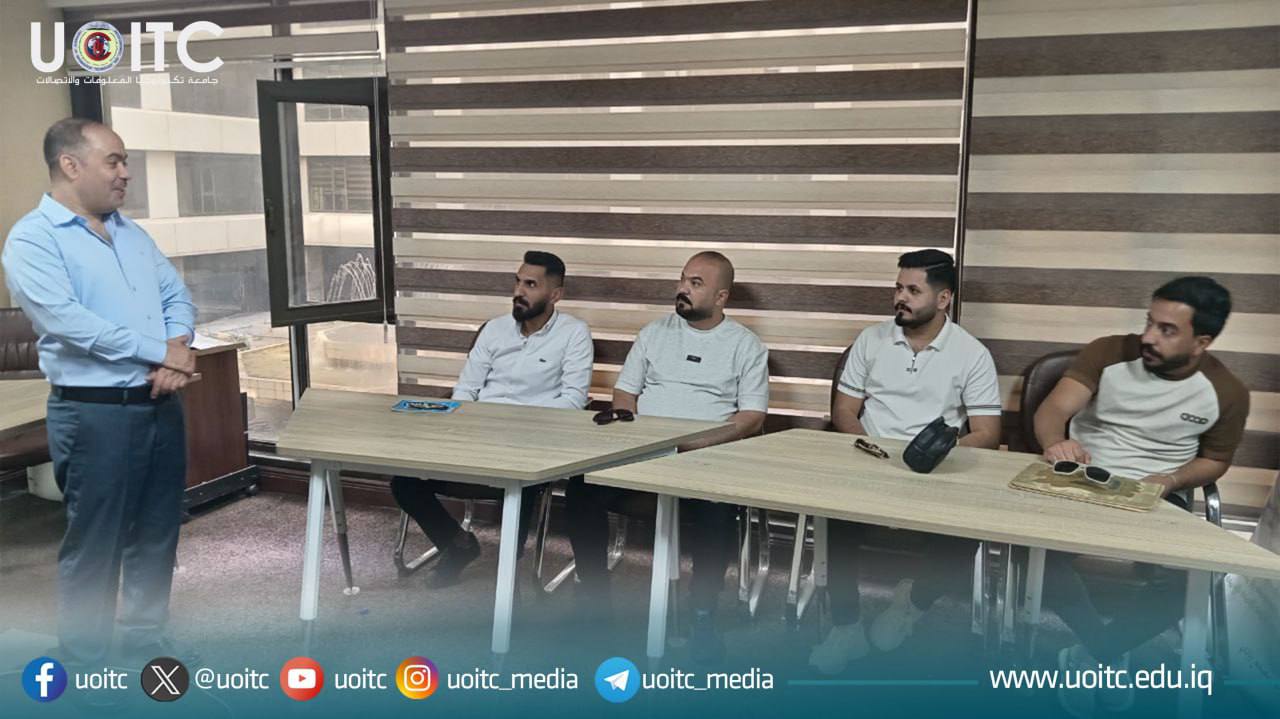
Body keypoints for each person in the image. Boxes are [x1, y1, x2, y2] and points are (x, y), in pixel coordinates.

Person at [2, 118, 198, 667]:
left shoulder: (131, 234)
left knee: (158, 532)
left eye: (124, 161)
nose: (125, 173)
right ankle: (85, 662)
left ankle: (144, 640)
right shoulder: (33, 239)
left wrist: (177, 345)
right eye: (114, 160)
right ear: (70, 165)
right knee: (96, 545)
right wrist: (160, 352)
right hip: (94, 415)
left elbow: (176, 296)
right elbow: (68, 323)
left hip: (160, 404)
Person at [1033, 276, 1248, 717]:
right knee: (1035, 551)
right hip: (1083, 479)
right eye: (1150, 322)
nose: (1149, 336)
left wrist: (1172, 479)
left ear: (1201, 342)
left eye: (1167, 330)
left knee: (1199, 578)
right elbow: (1053, 410)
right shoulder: (1108, 352)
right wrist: (1056, 442)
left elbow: (1215, 461)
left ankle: (1094, 653)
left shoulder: (1226, 392)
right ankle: (1107, 652)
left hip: (1158, 493)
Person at [566, 251, 769, 664]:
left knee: (717, 505)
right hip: (644, 453)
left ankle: (702, 614)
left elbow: (751, 416)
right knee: (580, 487)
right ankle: (595, 597)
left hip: (704, 457)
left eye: (695, 283)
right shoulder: (654, 333)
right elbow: (625, 394)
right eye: (682, 279)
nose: (682, 289)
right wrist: (633, 435)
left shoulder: (745, 345)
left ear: (721, 296)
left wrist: (701, 443)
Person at [810, 249, 1002, 674]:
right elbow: (844, 410)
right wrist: (867, 447)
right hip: (869, 460)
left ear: (944, 298)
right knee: (833, 512)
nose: (900, 297)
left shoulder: (972, 353)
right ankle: (845, 626)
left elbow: (988, 432)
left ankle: (911, 605)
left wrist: (942, 456)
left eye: (913, 290)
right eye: (898, 287)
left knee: (968, 530)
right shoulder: (870, 339)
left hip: (936, 470)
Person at [390, 251, 593, 587]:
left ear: (555, 294)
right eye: (518, 281)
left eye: (531, 285)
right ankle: (457, 544)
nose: (519, 291)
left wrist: (519, 424)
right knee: (405, 481)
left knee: (522, 477)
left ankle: (510, 563)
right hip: (478, 433)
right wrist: (462, 427)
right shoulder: (494, 330)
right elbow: (466, 389)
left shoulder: (574, 333)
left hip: (532, 439)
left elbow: (573, 400)